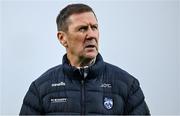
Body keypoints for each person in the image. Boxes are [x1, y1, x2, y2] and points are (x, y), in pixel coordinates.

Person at [19, 3, 150, 115]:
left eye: (94, 27)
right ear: (62, 38)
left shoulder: (127, 85)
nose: (91, 35)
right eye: (82, 29)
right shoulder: (41, 88)